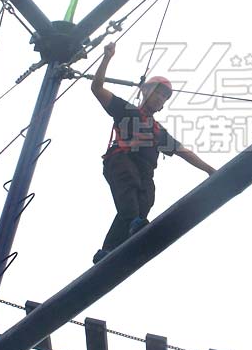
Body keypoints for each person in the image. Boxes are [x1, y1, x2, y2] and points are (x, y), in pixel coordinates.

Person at [91, 42, 216, 264]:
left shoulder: (158, 131)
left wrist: (209, 170)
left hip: (144, 171)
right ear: (145, 92)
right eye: (158, 93)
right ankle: (129, 232)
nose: (160, 99)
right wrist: (107, 58)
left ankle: (109, 251)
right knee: (129, 199)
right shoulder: (127, 111)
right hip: (121, 161)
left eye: (164, 98)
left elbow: (184, 152)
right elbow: (97, 88)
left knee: (144, 203)